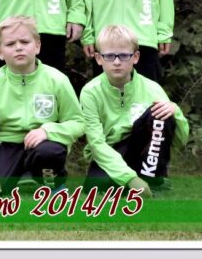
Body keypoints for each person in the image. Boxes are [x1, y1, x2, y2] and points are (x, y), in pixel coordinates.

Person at [0, 16, 84, 199]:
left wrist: (48, 131)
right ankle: (24, 174)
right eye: (10, 44)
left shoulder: (57, 80)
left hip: (43, 143)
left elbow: (78, 122)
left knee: (49, 153)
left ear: (37, 46)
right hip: (6, 143)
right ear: (0, 52)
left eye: (24, 42)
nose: (18, 47)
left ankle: (50, 182)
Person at [80, 25, 189, 198]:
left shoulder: (152, 88)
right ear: (99, 58)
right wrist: (130, 179)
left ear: (135, 57)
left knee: (161, 114)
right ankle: (135, 181)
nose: (117, 62)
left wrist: (175, 111)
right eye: (109, 56)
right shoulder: (90, 92)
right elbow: (96, 143)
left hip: (142, 151)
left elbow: (179, 140)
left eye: (124, 55)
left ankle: (154, 180)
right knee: (97, 187)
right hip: (110, 153)